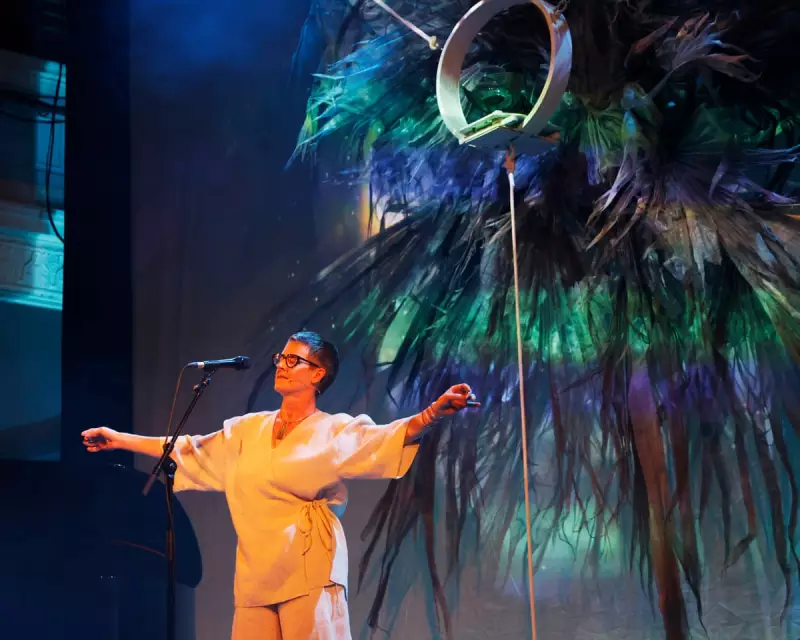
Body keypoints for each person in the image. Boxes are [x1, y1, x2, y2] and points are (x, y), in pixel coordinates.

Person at [81, 331, 476, 640]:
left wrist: (432, 412)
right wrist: (120, 439)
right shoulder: (247, 430)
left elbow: (384, 438)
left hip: (309, 564)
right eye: (280, 358)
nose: (282, 366)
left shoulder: (333, 430)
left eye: (293, 360)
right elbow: (190, 449)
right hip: (257, 570)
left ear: (317, 374)